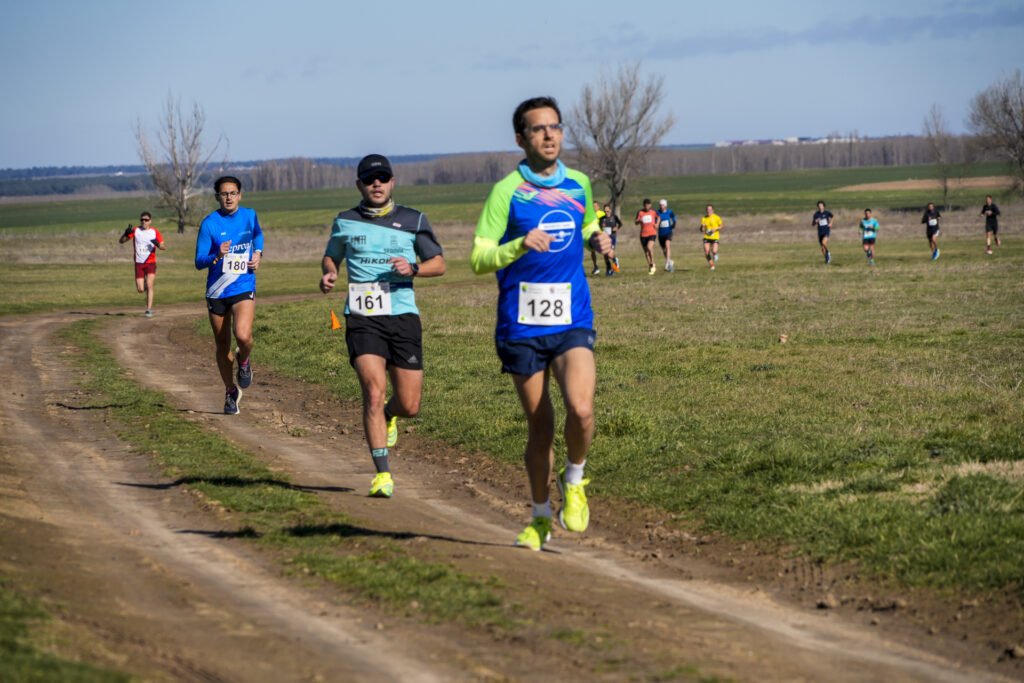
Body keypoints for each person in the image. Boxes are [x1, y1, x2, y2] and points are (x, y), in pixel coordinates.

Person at [470, 96, 613, 551]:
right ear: (520, 138)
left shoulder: (579, 184)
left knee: (582, 409)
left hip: (572, 316)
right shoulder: (507, 192)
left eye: (555, 126)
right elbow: (478, 257)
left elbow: (587, 221)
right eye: (538, 129)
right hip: (521, 323)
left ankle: (574, 478)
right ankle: (538, 516)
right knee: (541, 426)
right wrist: (517, 246)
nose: (549, 135)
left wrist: (598, 237)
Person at [320, 154, 445, 498]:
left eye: (382, 178)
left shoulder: (414, 219)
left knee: (410, 405)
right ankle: (383, 474)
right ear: (359, 185)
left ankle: (392, 414)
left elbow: (439, 263)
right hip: (362, 317)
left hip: (403, 317)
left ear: (392, 183)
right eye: (369, 179)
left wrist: (415, 269)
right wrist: (329, 271)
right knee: (373, 393)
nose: (376, 184)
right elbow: (331, 255)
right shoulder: (344, 221)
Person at [195, 176, 264, 415]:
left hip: (243, 284)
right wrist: (217, 255)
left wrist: (258, 254)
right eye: (224, 194)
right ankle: (230, 391)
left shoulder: (249, 215)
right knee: (222, 345)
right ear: (217, 197)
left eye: (233, 193)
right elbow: (198, 261)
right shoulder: (209, 224)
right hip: (217, 291)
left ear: (240, 195)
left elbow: (258, 235)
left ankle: (244, 362)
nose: (228, 197)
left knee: (243, 336)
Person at [119, 211, 165, 316]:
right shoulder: (135, 230)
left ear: (150, 221)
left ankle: (149, 309)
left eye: (146, 220)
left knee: (149, 285)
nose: (144, 221)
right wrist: (125, 234)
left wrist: (157, 244)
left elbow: (163, 246)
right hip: (139, 263)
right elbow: (121, 241)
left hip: (150, 262)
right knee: (140, 289)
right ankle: (145, 286)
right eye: (142, 220)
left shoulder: (155, 232)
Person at [635, 198, 659, 274]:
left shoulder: (653, 212)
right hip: (643, 235)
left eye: (648, 205)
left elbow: (658, 217)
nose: (647, 207)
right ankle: (651, 266)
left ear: (650, 205)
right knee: (646, 253)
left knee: (649, 247)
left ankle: (652, 262)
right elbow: (636, 222)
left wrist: (657, 224)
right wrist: (639, 220)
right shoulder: (640, 212)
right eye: (646, 205)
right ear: (644, 205)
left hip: (652, 233)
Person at [599, 203, 622, 276]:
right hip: (605, 238)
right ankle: (609, 270)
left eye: (608, 211)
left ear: (610, 210)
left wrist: (617, 228)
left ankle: (615, 260)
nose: (606, 212)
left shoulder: (614, 217)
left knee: (610, 255)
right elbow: (599, 227)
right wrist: (601, 227)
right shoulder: (602, 219)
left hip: (612, 237)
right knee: (605, 256)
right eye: (605, 211)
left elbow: (620, 224)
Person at [699, 204, 723, 271]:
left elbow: (721, 226)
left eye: (710, 209)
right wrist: (702, 226)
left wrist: (716, 229)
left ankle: (715, 254)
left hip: (715, 237)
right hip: (707, 237)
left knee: (714, 251)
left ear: (713, 210)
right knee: (707, 252)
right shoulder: (704, 218)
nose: (708, 211)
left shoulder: (716, 217)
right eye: (707, 209)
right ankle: (712, 266)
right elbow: (701, 230)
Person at [656, 199, 677, 272]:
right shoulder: (657, 213)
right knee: (664, 250)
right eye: (660, 205)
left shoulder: (669, 212)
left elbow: (674, 218)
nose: (661, 206)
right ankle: (670, 262)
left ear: (665, 205)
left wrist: (674, 224)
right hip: (661, 234)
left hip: (668, 232)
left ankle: (667, 263)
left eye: (662, 205)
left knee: (667, 245)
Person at [589, 201, 603, 275]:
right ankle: (596, 267)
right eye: (593, 206)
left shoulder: (602, 213)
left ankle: (611, 266)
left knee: (605, 251)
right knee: (592, 251)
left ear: (598, 207)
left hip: (601, 235)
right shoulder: (590, 215)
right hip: (593, 235)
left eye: (595, 206)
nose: (594, 207)